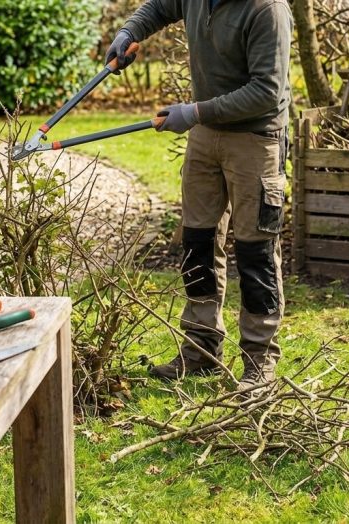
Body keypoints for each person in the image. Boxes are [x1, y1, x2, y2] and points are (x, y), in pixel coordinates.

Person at [105, 0, 292, 390]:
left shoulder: (267, 10)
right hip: (206, 136)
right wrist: (129, 31)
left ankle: (260, 361)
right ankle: (201, 349)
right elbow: (160, 7)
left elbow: (266, 91)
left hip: (256, 138)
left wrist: (193, 113)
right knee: (198, 243)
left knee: (256, 251)